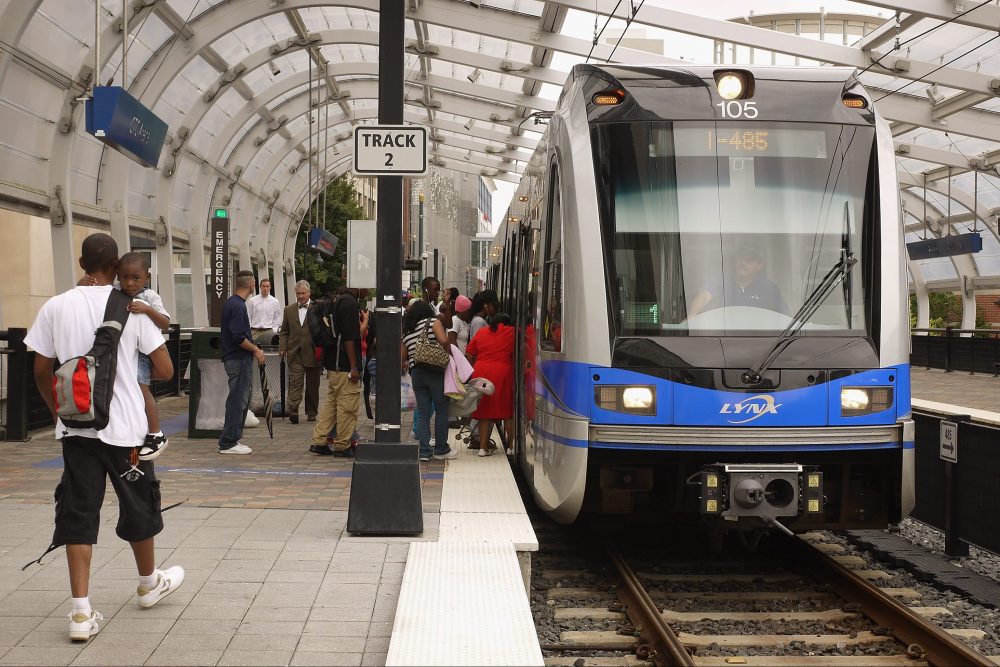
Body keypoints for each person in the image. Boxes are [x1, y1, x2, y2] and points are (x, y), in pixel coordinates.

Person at [25, 233, 184, 642]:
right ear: (115, 267)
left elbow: (42, 369)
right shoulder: (132, 309)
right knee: (138, 501)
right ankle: (149, 583)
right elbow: (165, 371)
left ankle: (80, 613)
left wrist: (58, 409)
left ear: (81, 263)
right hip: (127, 428)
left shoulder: (56, 306)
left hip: (76, 426)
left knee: (79, 510)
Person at [78, 252, 171, 460]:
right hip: (124, 352)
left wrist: (147, 310)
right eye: (125, 277)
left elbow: (165, 323)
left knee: (142, 389)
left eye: (136, 278)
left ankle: (156, 433)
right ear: (117, 275)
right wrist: (81, 284)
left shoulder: (149, 297)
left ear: (146, 277)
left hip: (145, 352)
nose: (129, 283)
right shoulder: (114, 292)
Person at [402, 300, 457, 462]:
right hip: (434, 371)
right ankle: (441, 449)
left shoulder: (407, 331)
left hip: (417, 373)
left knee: (423, 412)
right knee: (441, 409)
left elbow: (402, 357)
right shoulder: (433, 322)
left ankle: (424, 452)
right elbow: (445, 341)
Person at [310, 288, 362, 457]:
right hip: (344, 365)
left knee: (331, 404)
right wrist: (354, 366)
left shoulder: (336, 300)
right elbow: (349, 338)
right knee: (348, 406)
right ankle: (342, 445)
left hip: (332, 363)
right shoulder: (349, 303)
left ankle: (320, 440)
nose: (369, 289)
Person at [219, 270, 267, 454]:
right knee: (238, 400)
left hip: (234, 358)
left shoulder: (232, 303)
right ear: (251, 284)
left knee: (237, 399)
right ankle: (229, 442)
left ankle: (229, 439)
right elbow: (239, 337)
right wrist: (255, 349)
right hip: (238, 359)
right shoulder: (238, 306)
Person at [687, 244, 788, 318]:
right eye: (740, 259)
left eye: (748, 260)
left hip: (760, 340)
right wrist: (691, 318)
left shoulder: (768, 288)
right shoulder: (721, 280)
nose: (743, 263)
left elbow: (785, 316)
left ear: (759, 266)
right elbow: (704, 297)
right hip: (723, 338)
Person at [466, 312, 515, 457]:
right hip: (503, 373)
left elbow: (469, 353)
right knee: (507, 412)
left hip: (482, 373)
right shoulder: (512, 332)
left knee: (484, 413)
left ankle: (482, 448)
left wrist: (474, 368)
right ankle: (511, 447)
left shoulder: (481, 332)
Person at [278, 280, 321, 424]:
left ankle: (311, 412)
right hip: (295, 352)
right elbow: (284, 331)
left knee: (312, 385)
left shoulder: (318, 308)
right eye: (298, 294)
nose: (301, 296)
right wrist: (282, 347)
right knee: (295, 382)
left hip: (314, 353)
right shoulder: (288, 310)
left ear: (309, 293)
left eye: (303, 293)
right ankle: (293, 409)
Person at [246, 277, 282, 345]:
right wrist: (249, 330)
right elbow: (248, 316)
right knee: (254, 351)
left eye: (267, 286)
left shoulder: (275, 301)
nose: (265, 288)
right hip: (254, 331)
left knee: (268, 352)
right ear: (260, 287)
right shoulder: (252, 300)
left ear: (270, 287)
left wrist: (274, 330)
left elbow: (277, 318)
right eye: (263, 286)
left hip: (269, 331)